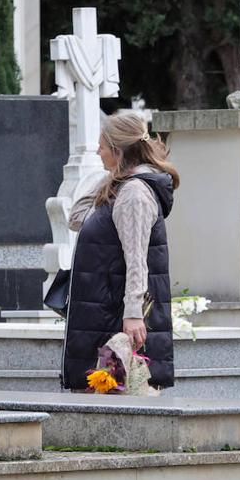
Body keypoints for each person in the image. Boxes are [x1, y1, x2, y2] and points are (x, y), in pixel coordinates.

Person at [61, 112, 179, 391]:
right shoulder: (121, 188)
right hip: (102, 311)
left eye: (102, 146)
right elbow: (76, 217)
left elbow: (137, 259)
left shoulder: (134, 194)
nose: (98, 152)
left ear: (117, 150)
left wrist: (134, 314)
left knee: (118, 394)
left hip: (115, 315)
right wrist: (111, 177)